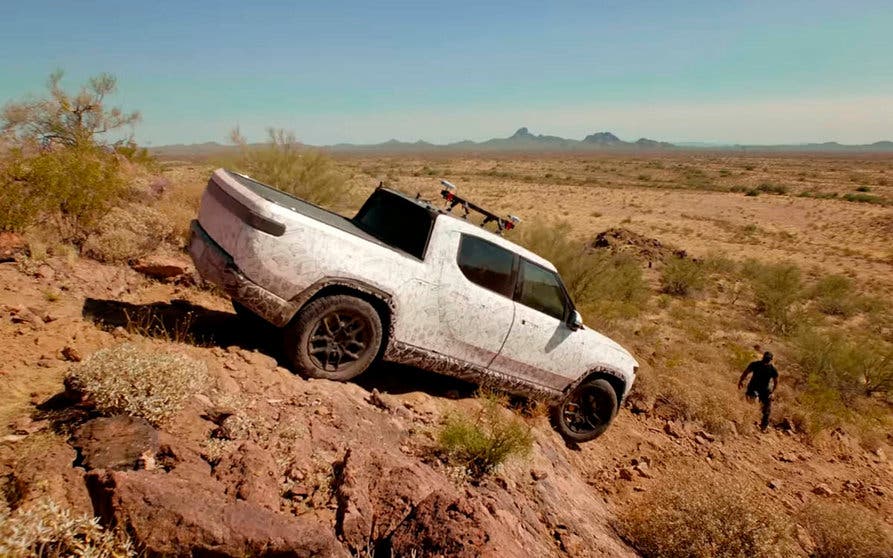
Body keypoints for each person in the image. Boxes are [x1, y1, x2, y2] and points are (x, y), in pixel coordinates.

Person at [738, 351, 779, 431]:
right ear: (763, 357)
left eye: (767, 359)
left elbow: (776, 382)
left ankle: (764, 426)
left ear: (770, 360)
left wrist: (773, 393)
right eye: (765, 358)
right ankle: (747, 421)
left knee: (766, 407)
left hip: (764, 389)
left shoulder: (772, 369)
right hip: (753, 387)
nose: (766, 360)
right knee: (750, 403)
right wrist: (741, 380)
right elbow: (746, 372)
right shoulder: (755, 364)